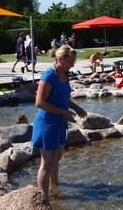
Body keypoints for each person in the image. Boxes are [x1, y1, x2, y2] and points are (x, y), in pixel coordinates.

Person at [31, 45, 87, 197]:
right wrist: (64, 112)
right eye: (70, 62)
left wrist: (76, 107)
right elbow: (39, 102)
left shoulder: (65, 73)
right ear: (61, 59)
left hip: (60, 123)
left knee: (57, 158)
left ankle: (55, 189)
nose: (73, 65)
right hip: (47, 123)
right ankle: (44, 198)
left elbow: (63, 98)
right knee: (47, 162)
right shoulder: (49, 75)